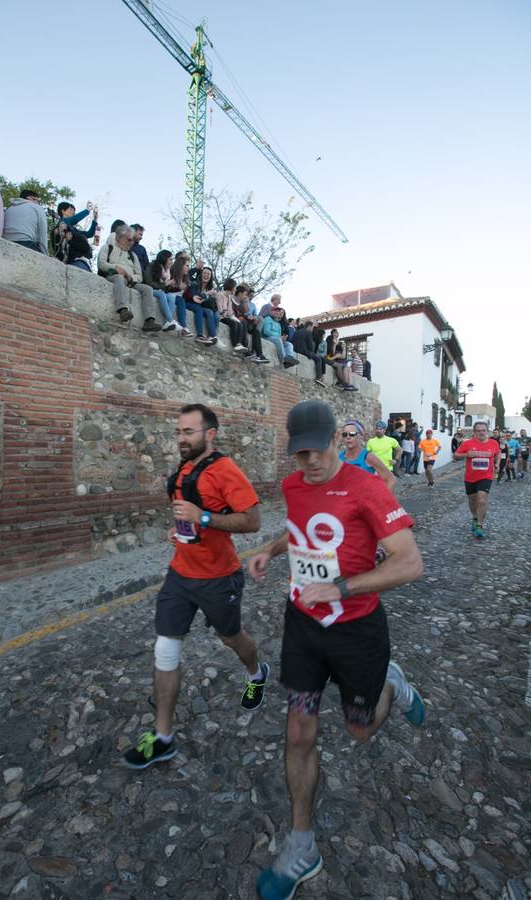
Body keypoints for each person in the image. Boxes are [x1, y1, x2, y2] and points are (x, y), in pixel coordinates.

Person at [248, 400, 424, 900]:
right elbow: (300, 527)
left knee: (359, 729)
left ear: (336, 440)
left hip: (357, 630)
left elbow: (410, 563)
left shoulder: (367, 488)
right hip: (303, 624)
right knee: (299, 728)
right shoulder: (292, 485)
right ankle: (301, 847)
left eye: (317, 450)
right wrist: (269, 549)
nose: (310, 462)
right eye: (299, 454)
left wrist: (343, 588)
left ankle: (391, 682)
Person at [123, 403, 269, 769]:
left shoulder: (225, 470)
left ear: (210, 434)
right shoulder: (184, 469)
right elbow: (186, 514)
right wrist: (182, 529)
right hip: (180, 574)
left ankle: (256, 672)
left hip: (219, 577)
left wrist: (203, 517)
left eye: (188, 432)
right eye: (178, 432)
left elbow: (253, 521)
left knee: (231, 637)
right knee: (165, 649)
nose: (181, 439)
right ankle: (163, 738)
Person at [97, 225, 161, 329]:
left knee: (147, 289)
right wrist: (116, 268)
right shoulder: (108, 248)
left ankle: (149, 320)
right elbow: (101, 264)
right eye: (129, 239)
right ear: (120, 238)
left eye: (133, 240)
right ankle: (123, 310)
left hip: (130, 281)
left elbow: (139, 276)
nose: (132, 242)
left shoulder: (133, 256)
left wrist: (131, 278)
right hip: (113, 276)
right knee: (119, 278)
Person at [454, 421, 501, 539]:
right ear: (474, 432)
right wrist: (467, 454)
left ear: (487, 431)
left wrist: (497, 464)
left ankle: (479, 526)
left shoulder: (493, 443)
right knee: (473, 501)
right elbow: (455, 455)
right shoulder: (468, 443)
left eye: (483, 430)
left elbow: (498, 453)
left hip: (486, 476)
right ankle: (475, 517)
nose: (481, 433)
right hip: (470, 477)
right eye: (479, 431)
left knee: (482, 499)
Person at [339, 420, 396, 490]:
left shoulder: (368, 457)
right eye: (344, 434)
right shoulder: (339, 457)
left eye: (352, 434)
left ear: (361, 435)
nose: (348, 437)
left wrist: (381, 499)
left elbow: (391, 479)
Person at [144, 249, 187, 332]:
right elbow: (149, 282)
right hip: (149, 289)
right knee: (161, 294)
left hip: (159, 290)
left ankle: (167, 323)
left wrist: (176, 286)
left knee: (171, 297)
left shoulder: (166, 271)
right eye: (170, 259)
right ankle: (171, 320)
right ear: (164, 259)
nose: (172, 262)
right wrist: (166, 284)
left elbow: (165, 288)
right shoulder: (152, 265)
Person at [183, 266, 221, 345]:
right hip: (190, 303)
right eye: (204, 273)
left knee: (213, 313)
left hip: (201, 306)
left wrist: (214, 299)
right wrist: (207, 294)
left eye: (208, 274)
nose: (206, 275)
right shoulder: (195, 283)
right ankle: (202, 335)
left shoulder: (210, 288)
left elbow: (207, 303)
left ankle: (212, 336)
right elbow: (195, 297)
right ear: (201, 274)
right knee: (203, 310)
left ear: (210, 277)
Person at [2, 189, 48, 253]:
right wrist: (45, 255)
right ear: (30, 198)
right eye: (38, 201)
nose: (38, 203)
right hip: (25, 244)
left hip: (4, 243)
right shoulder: (37, 208)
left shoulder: (9, 208)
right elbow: (42, 235)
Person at [166, 257, 193, 337]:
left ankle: (184, 328)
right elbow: (166, 288)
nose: (188, 268)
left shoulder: (186, 279)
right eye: (187, 266)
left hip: (180, 299)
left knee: (182, 300)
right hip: (170, 296)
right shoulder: (171, 273)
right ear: (181, 266)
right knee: (181, 300)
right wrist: (178, 288)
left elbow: (187, 295)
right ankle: (184, 327)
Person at [294, 322, 325, 386]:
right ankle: (318, 378)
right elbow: (310, 345)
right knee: (319, 359)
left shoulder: (297, 331)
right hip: (304, 351)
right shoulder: (308, 333)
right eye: (312, 327)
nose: (312, 329)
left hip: (295, 350)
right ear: (309, 326)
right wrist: (311, 353)